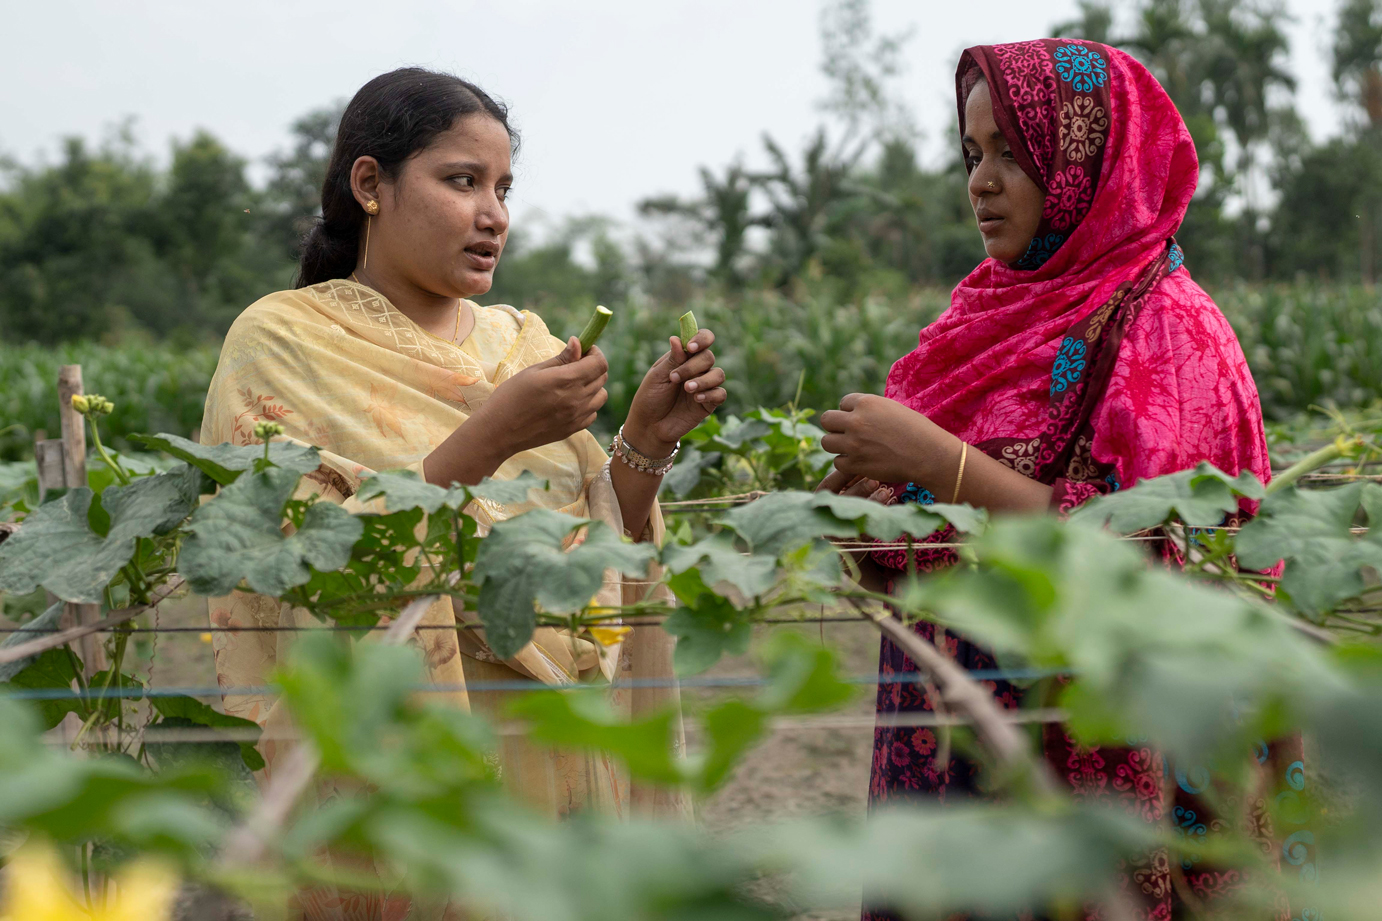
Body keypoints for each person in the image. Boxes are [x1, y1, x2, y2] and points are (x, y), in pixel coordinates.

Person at [201, 68, 722, 920]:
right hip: (415, 776)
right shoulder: (282, 343)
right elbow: (304, 569)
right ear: (370, 184)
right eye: (462, 180)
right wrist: (491, 437)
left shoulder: (525, 346)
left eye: (504, 188)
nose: (494, 215)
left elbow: (593, 560)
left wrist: (646, 441)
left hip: (558, 760)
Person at [818, 40, 1304, 918]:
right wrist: (872, 497)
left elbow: (1153, 558)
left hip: (1095, 766)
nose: (982, 181)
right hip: (950, 742)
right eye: (971, 155)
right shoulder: (981, 318)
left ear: (1084, 154)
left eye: (1012, 150)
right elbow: (911, 531)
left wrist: (938, 463)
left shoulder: (1170, 328)